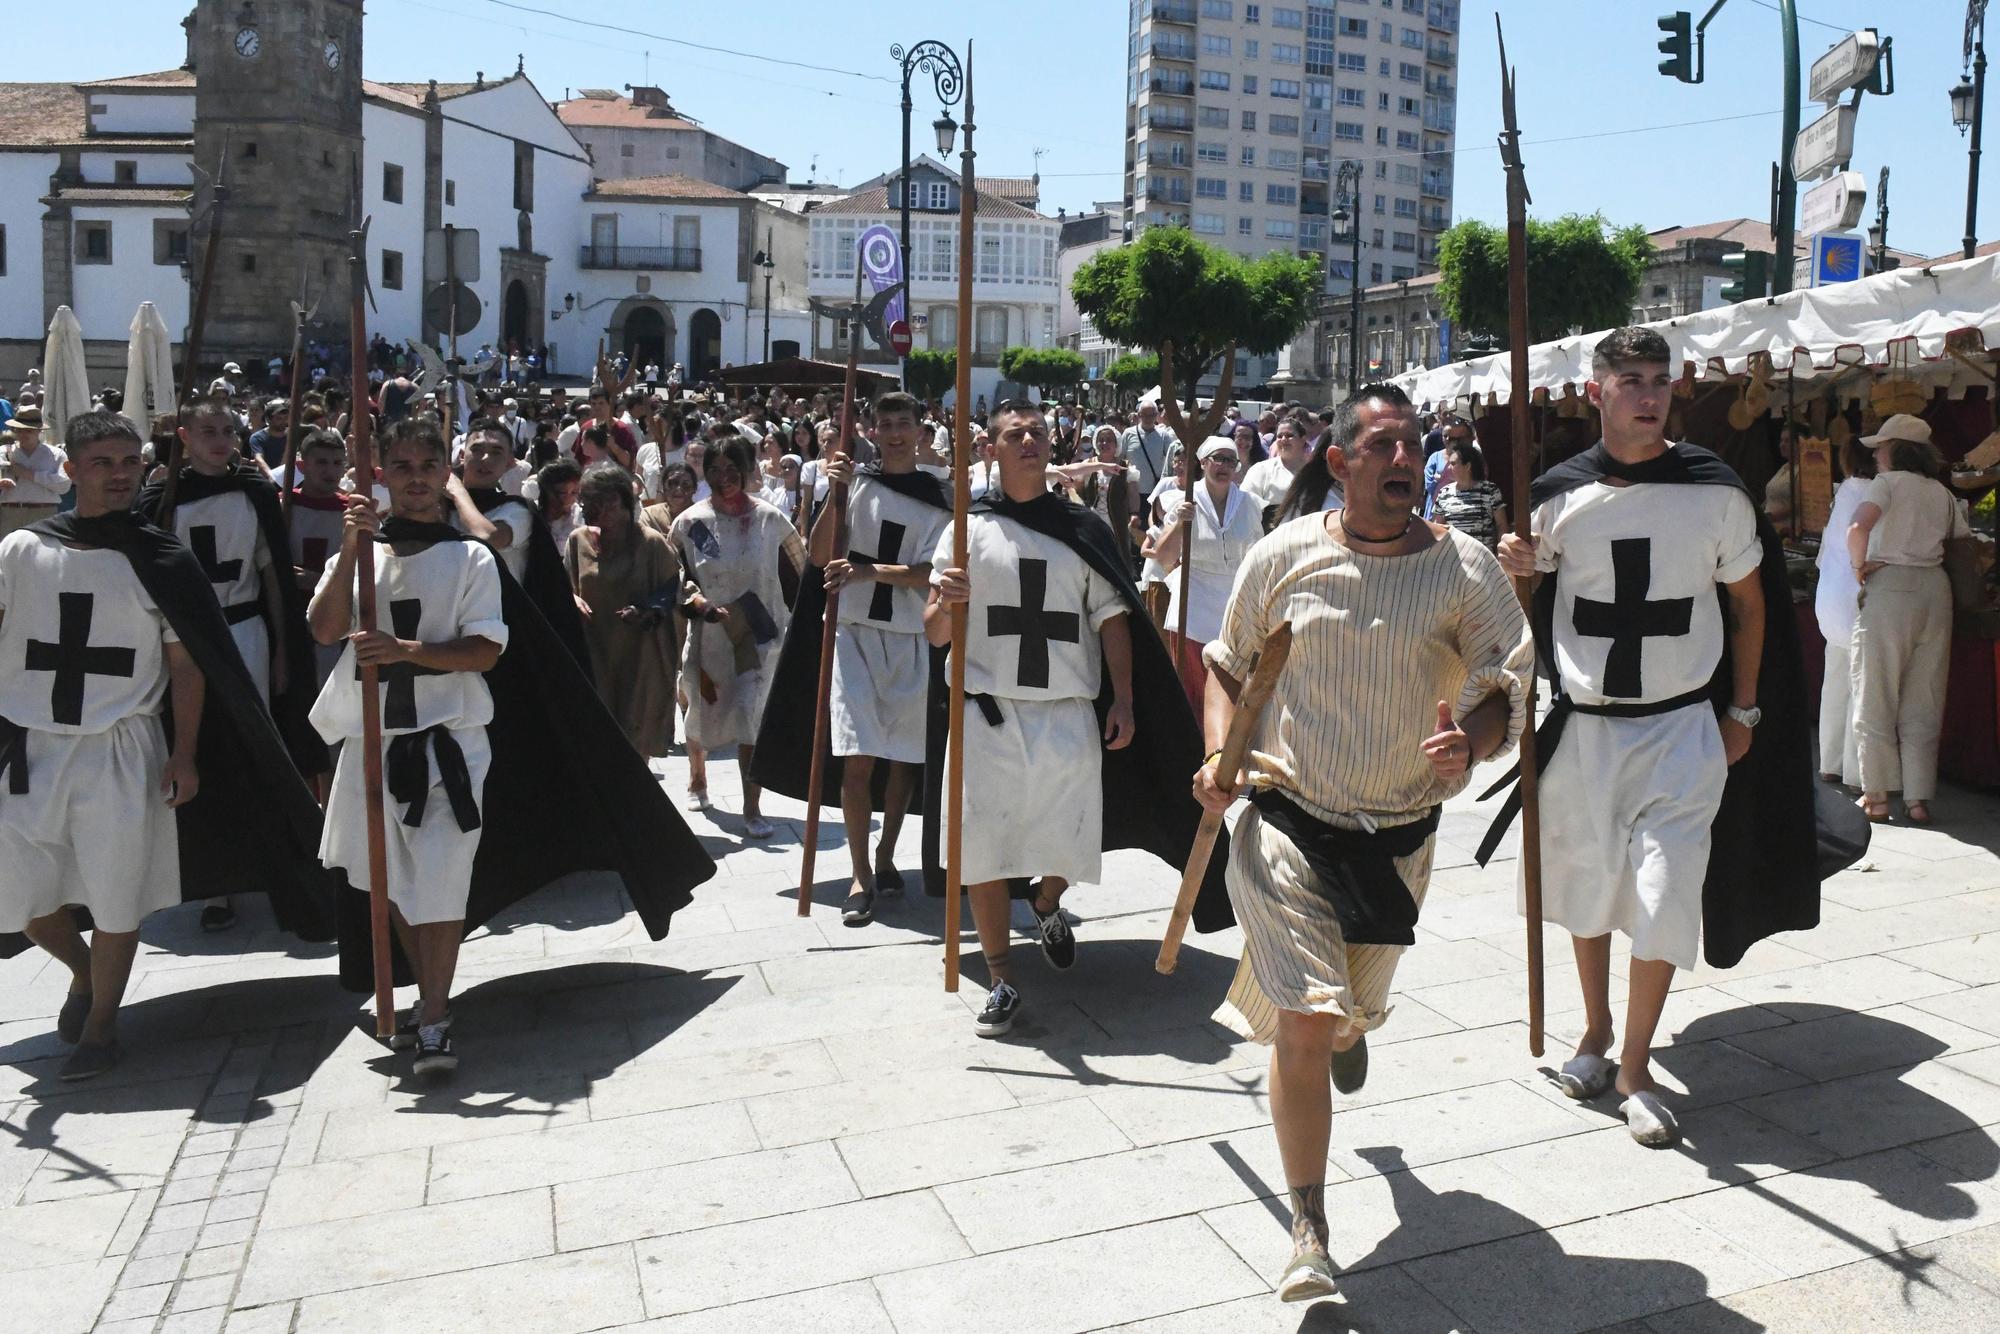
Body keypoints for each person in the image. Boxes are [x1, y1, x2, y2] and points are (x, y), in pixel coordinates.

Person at [1193, 383, 1531, 1303]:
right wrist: (1221, 753)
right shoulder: (1283, 555)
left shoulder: (1464, 568)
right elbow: (1227, 663)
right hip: (1288, 818)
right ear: (1337, 464)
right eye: (1380, 445)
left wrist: (1479, 738)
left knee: (1344, 1013)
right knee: (1304, 1016)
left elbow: (1507, 677)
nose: (1401, 459)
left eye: (1411, 443)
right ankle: (1308, 1226)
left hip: (1399, 837)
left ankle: (1349, 1029)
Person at [310, 416, 714, 1074]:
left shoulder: (470, 558)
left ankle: (435, 1014)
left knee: (438, 882)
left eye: (427, 466)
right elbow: (327, 626)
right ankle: (431, 1000)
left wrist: (407, 650)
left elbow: (486, 649)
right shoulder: (362, 553)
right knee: (395, 887)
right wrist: (354, 548)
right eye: (402, 466)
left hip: (447, 748)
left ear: (446, 475)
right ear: (383, 473)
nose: (415, 479)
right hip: (372, 744)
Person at [1494, 327, 1818, 1148]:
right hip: (1585, 730)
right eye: (1630, 380)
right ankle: (1596, 1035)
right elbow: (1520, 609)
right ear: (1596, 391)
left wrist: (1743, 710)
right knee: (1590, 889)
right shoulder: (1557, 495)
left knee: (1666, 893)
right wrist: (1515, 565)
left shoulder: (1714, 491)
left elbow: (1749, 606)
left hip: (1680, 730)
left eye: (1660, 381)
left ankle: (1636, 1068)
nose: (1648, 395)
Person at [1, 411, 335, 1079]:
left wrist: (184, 753)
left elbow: (188, 664)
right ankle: (82, 974)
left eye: (129, 461)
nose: (119, 473)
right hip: (34, 747)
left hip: (123, 747)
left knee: (117, 892)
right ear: (71, 469)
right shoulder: (22, 552)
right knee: (21, 897)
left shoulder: (160, 557)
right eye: (102, 462)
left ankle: (100, 1030)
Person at [924, 401, 1224, 1037]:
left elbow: (1113, 618)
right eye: (1014, 434)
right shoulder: (963, 530)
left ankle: (1047, 899)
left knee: (1075, 834)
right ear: (991, 450)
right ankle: (1003, 976)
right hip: (987, 712)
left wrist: (1123, 697)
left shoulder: (1082, 527)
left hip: (1065, 712)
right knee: (983, 848)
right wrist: (948, 603)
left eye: (1037, 432)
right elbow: (932, 633)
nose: (1028, 441)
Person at [755, 391, 952, 925]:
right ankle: (861, 874)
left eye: (903, 423)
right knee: (859, 755)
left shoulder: (941, 496)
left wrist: (870, 571)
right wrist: (834, 492)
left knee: (904, 759)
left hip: (911, 637)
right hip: (853, 634)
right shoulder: (856, 482)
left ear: (919, 429)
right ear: (871, 429)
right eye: (884, 423)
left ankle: (888, 851)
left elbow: (934, 573)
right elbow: (821, 554)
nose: (894, 432)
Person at [137, 399, 319, 932]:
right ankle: (214, 881)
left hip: (245, 634)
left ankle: (265, 864)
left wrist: (285, 650)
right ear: (184, 437)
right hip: (184, 639)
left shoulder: (255, 494)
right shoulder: (161, 497)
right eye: (207, 431)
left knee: (251, 748)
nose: (219, 440)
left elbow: (273, 581)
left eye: (227, 430)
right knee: (195, 746)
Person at [670, 436, 806, 836]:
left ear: (748, 472)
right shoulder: (689, 523)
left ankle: (752, 805)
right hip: (709, 634)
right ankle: (698, 777)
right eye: (715, 470)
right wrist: (695, 602)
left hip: (759, 636)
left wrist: (805, 619)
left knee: (750, 714)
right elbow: (674, 577)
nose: (724, 479)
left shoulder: (770, 519)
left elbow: (799, 566)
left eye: (733, 470)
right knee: (701, 707)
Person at [1846, 415, 1968, 825]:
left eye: (1881, 445)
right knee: (1924, 699)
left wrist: (1858, 567)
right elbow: (1964, 546)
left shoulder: (1887, 484)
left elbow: (1857, 527)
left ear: (1897, 448)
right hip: (1935, 590)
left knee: (1875, 693)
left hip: (1891, 588)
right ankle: (1917, 799)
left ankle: (1876, 796)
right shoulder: (1941, 493)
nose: (1876, 453)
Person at [567, 461, 681, 757]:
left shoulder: (651, 544)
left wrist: (647, 612)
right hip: (594, 652)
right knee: (596, 739)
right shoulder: (577, 541)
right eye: (589, 499)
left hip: (640, 656)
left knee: (634, 740)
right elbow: (564, 584)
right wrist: (572, 599)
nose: (597, 507)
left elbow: (674, 592)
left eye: (605, 499)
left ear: (623, 500)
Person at [1145, 437, 1263, 712]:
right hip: (1194, 601)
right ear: (1203, 463)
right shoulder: (1185, 501)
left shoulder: (1249, 503)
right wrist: (1178, 525)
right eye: (1217, 458)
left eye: (1230, 460)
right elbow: (1164, 557)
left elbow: (1259, 552)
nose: (1223, 466)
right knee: (1194, 689)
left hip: (1235, 602)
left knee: (1233, 684)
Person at [1814, 437, 1875, 787]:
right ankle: (1855, 771)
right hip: (1853, 597)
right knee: (1858, 685)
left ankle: (1830, 762)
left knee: (1835, 681)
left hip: (1830, 595)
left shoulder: (1843, 491)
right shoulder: (1874, 494)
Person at [1, 405, 71, 536]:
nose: (23, 434)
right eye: (20, 430)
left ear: (39, 431)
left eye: (29, 430)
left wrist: (29, 474)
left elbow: (64, 485)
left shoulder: (56, 454)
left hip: (43, 512)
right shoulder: (4, 452)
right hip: (10, 512)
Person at [1431, 438, 1508, 550]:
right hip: (1454, 560)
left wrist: (1501, 553)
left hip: (1483, 560)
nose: (1448, 467)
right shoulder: (1444, 493)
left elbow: (1501, 525)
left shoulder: (1490, 490)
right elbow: (1437, 526)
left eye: (1453, 464)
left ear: (1467, 466)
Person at [1240, 412, 1310, 514]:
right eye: (1279, 436)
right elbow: (1246, 507)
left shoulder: (1315, 472)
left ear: (1303, 439)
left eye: (1289, 435)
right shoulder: (1261, 470)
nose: (1283, 439)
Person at [1120, 400, 1174, 497]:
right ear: (1139, 415)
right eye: (1144, 415)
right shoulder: (1128, 433)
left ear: (1156, 415)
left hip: (1155, 491)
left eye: (1152, 415)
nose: (1148, 418)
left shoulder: (1164, 435)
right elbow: (1120, 458)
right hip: (1131, 490)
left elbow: (1172, 459)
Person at [1421, 417, 1472, 519]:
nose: (1448, 440)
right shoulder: (1435, 457)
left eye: (1452, 438)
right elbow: (1429, 485)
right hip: (1436, 508)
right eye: (1445, 436)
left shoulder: (1470, 456)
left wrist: (1440, 478)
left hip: (1462, 507)